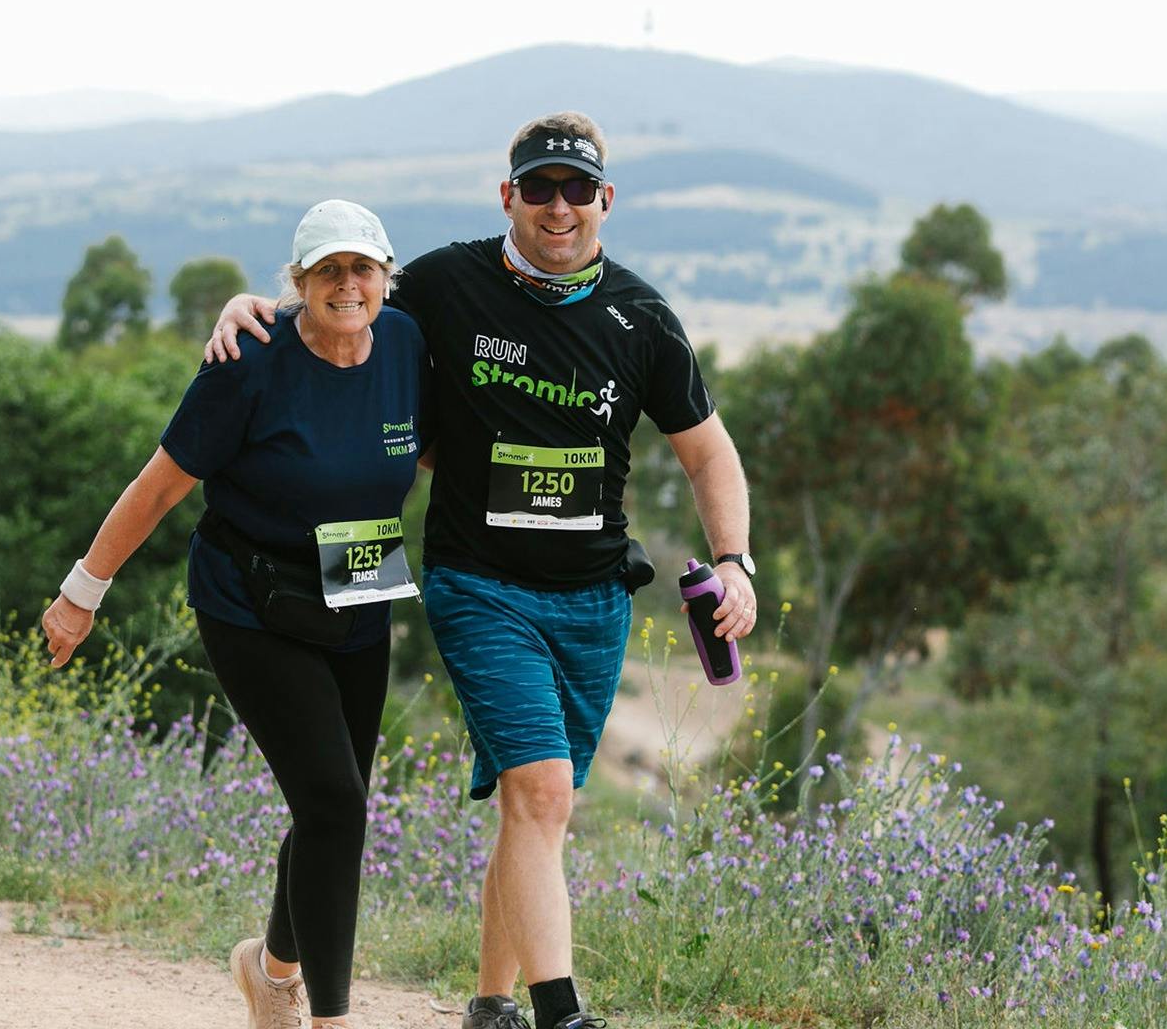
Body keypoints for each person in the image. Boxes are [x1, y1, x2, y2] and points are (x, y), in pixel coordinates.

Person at [208, 112, 757, 1029]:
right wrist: (248, 309)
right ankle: (560, 1012)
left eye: (576, 190)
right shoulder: (447, 284)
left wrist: (736, 560)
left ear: (604, 202)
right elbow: (341, 302)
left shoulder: (643, 318)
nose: (556, 206)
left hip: (593, 600)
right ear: (508, 195)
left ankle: (488, 1002)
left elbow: (709, 455)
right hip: (479, 585)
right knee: (537, 790)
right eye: (537, 187)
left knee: (537, 808)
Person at [43, 199, 427, 1029]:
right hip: (250, 597)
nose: (348, 285)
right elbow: (158, 487)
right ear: (296, 284)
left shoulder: (406, 343)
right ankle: (327, 1016)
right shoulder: (246, 361)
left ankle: (267, 968)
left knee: (338, 803)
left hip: (360, 587)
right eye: (328, 270)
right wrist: (82, 593)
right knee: (335, 804)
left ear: (388, 277)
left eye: (363, 268)